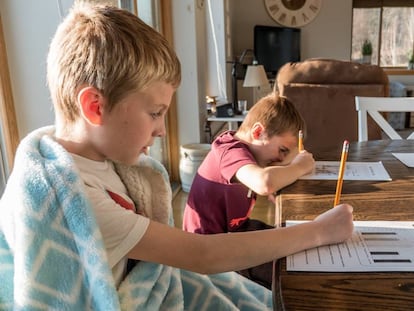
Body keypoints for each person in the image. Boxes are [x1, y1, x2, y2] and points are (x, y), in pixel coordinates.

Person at [0, 2, 354, 310]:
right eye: (155, 113)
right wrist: (318, 232)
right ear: (95, 107)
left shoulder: (97, 161)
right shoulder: (74, 199)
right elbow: (203, 255)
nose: (162, 131)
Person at [182, 93, 316, 288]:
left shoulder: (249, 153)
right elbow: (264, 183)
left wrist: (285, 167)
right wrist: (298, 167)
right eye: (282, 150)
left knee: (295, 246)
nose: (282, 160)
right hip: (209, 253)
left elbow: (268, 179)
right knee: (290, 271)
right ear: (257, 132)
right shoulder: (229, 151)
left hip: (235, 232)